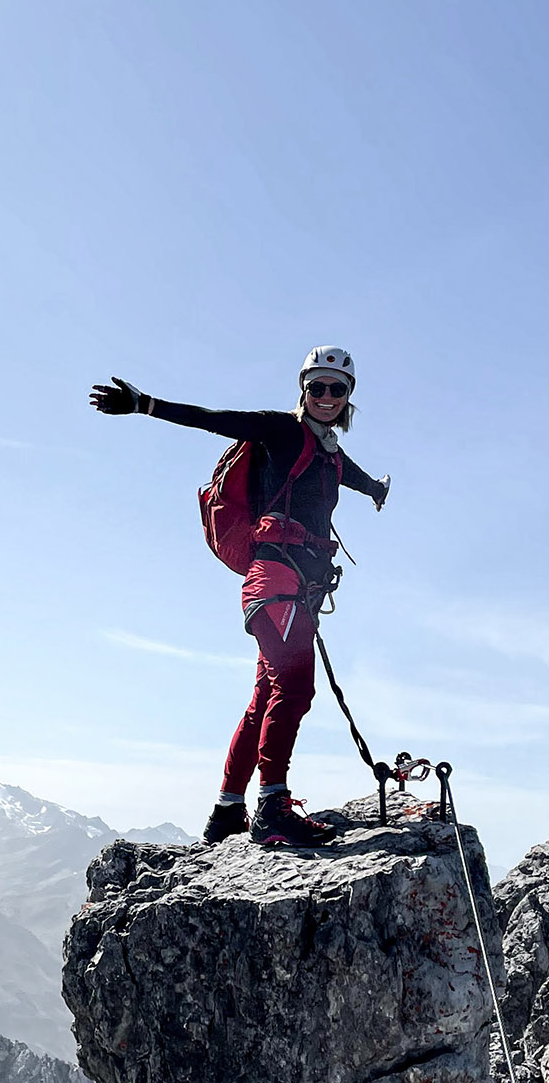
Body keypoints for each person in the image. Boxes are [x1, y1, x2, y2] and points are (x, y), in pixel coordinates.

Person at [89, 347, 389, 848]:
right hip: (273, 580)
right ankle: (272, 809)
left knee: (264, 699)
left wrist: (376, 489)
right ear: (304, 390)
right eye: (318, 387)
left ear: (348, 396)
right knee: (294, 689)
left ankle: (227, 812)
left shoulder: (329, 452)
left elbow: (350, 475)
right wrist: (144, 404)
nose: (327, 397)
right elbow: (215, 419)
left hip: (297, 588)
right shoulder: (282, 430)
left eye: (338, 389)